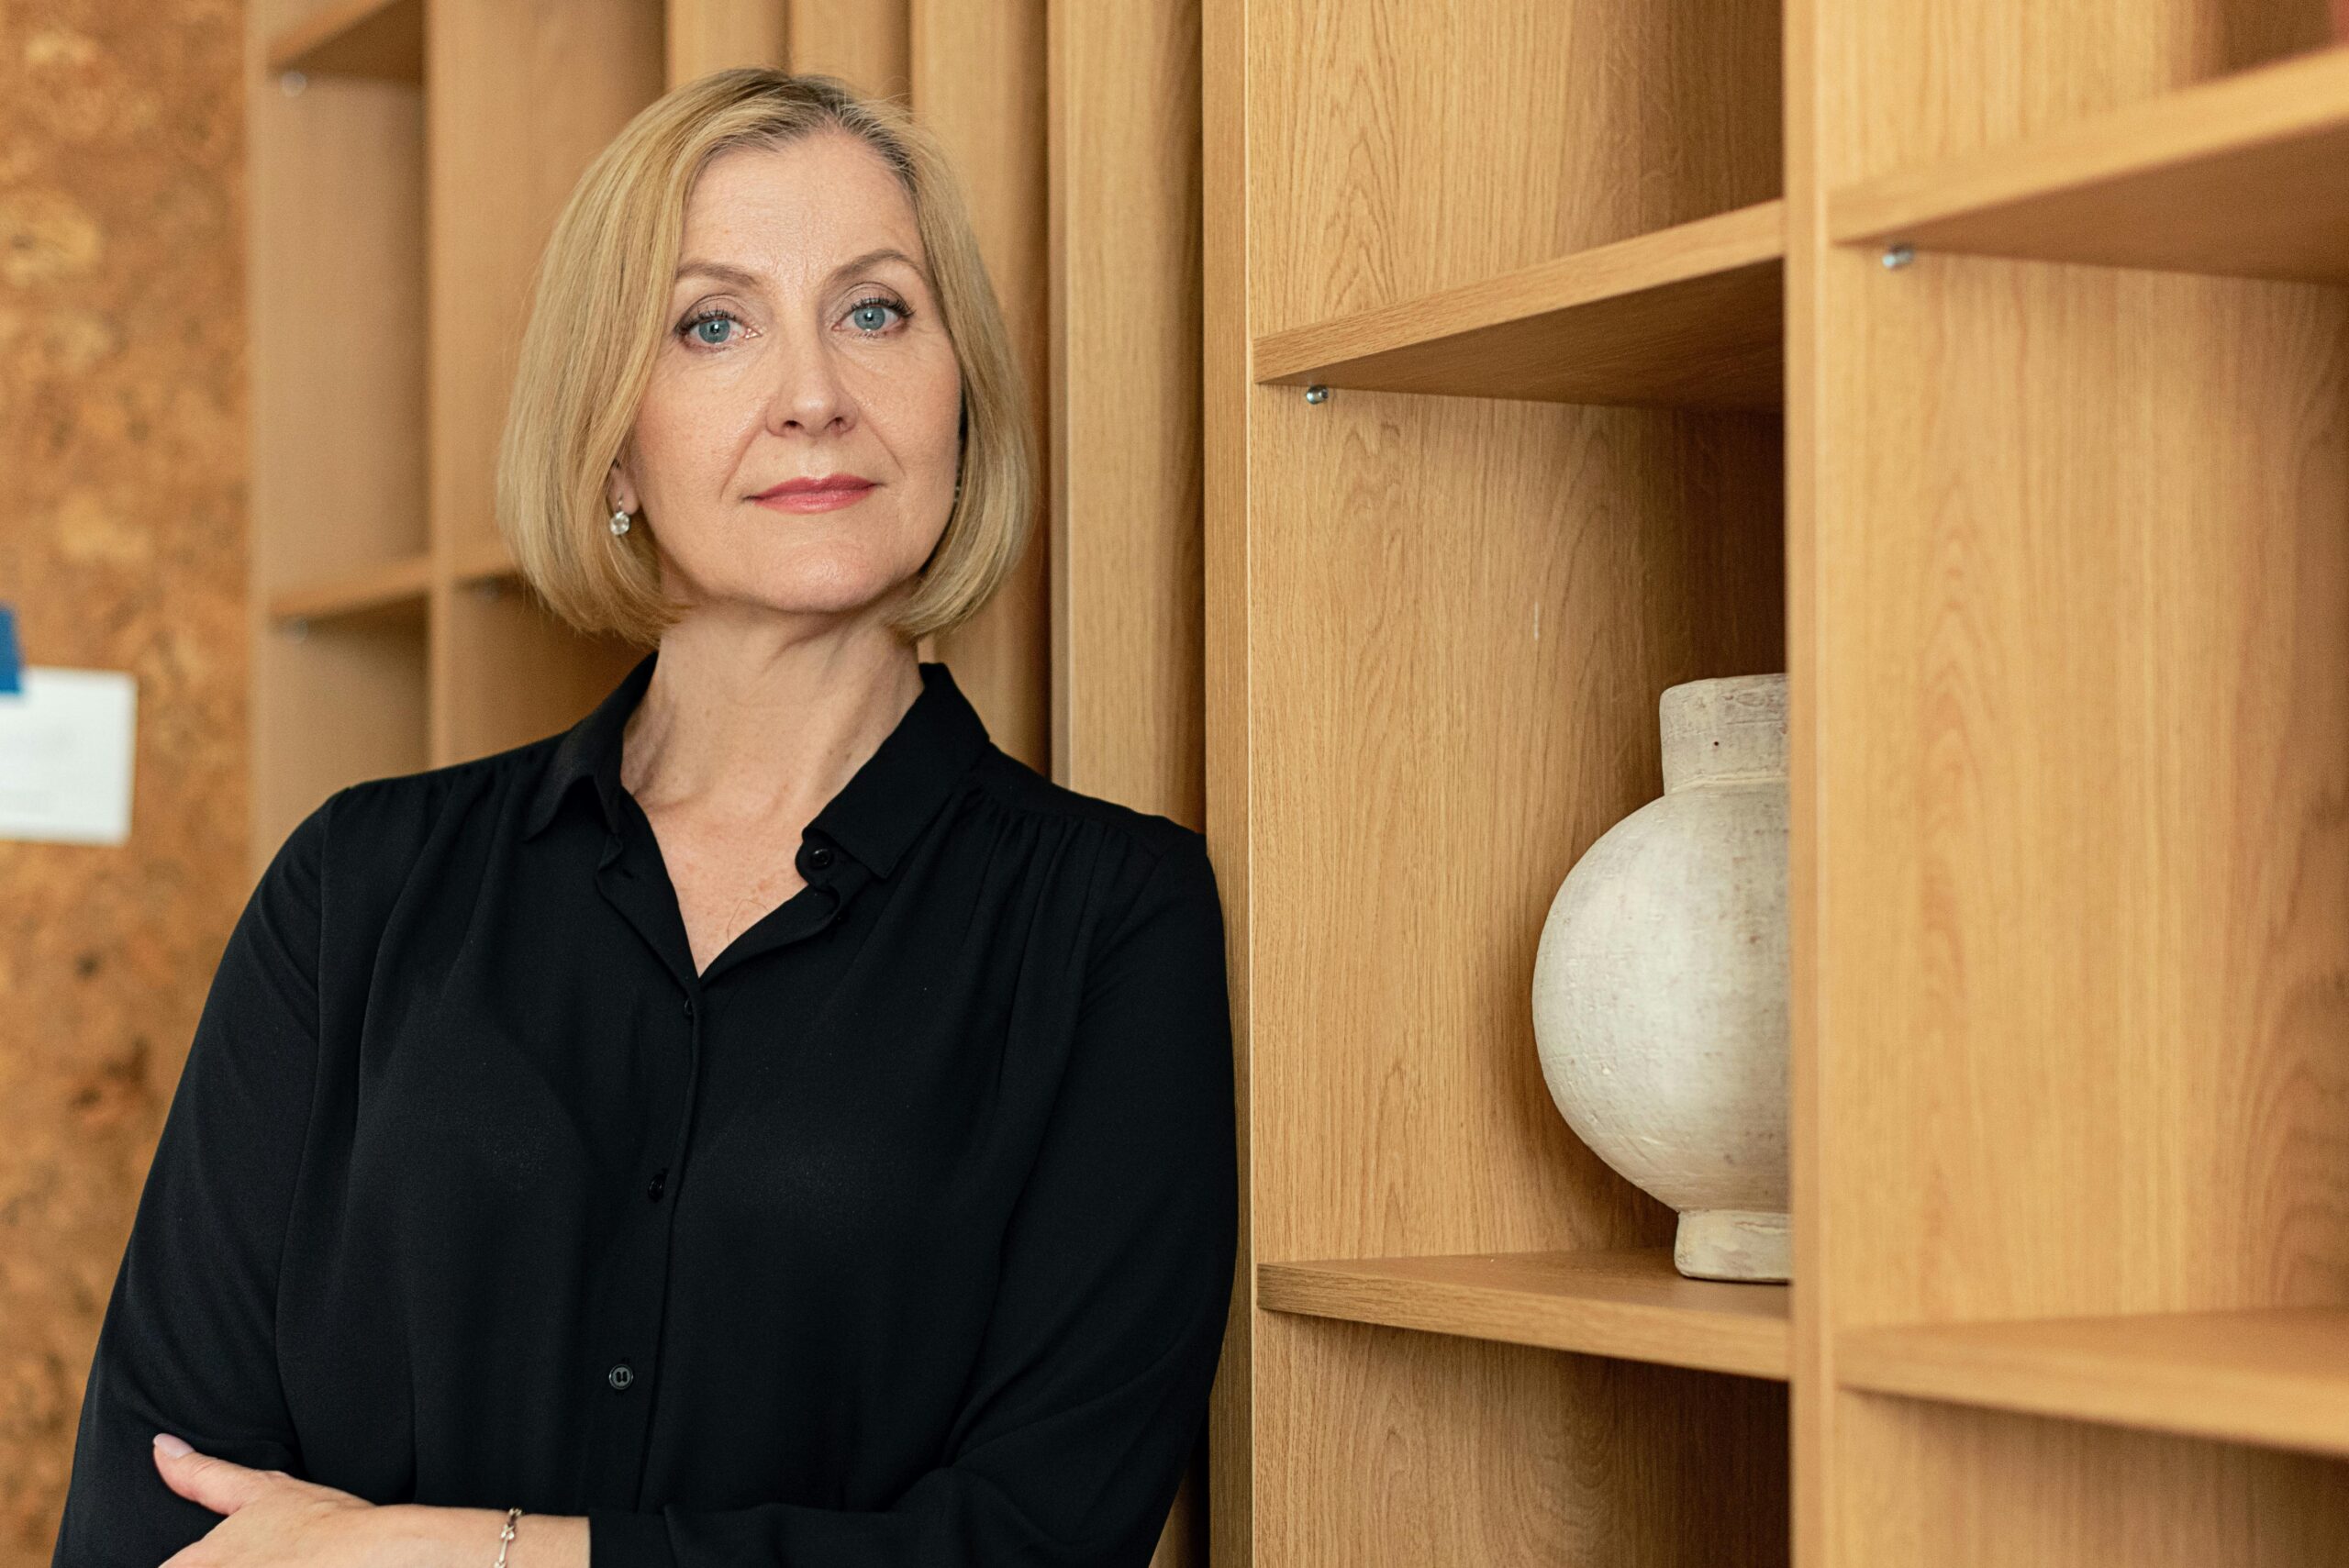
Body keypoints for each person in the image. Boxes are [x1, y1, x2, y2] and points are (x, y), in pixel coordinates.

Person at [50, 68, 1237, 1568]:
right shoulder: (359, 888)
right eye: (713, 324)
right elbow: (162, 1511)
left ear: (961, 394)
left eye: (876, 310)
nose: (815, 392)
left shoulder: (1112, 923)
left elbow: (1036, 1540)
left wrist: (458, 1553)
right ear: (612, 436)